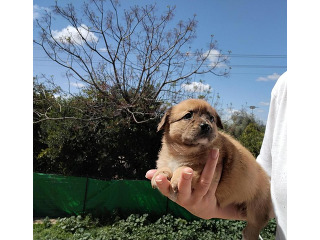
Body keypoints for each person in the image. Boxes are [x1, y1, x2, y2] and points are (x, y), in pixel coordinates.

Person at [145, 72, 287, 239]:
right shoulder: (284, 86)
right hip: (238, 200)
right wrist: (166, 172)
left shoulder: (216, 150)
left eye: (211, 118)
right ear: (166, 123)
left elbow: (200, 174)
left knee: (253, 228)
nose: (205, 124)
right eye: (188, 116)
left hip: (256, 194)